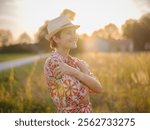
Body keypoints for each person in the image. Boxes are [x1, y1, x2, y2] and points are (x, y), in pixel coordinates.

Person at [44, 15, 102, 113]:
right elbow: (83, 99)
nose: (74, 36)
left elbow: (98, 88)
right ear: (56, 39)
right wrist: (85, 73)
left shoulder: (76, 62)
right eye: (68, 33)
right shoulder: (53, 62)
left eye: (74, 32)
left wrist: (77, 72)